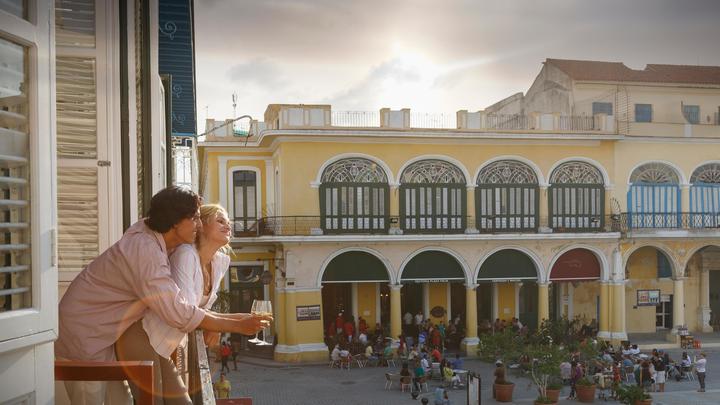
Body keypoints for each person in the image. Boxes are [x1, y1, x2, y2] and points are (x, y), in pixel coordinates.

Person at [56, 187, 270, 405]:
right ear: (176, 221)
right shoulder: (144, 249)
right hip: (83, 335)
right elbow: (176, 311)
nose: (199, 225)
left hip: (105, 337)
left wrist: (233, 320)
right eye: (195, 218)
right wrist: (234, 325)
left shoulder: (157, 242)